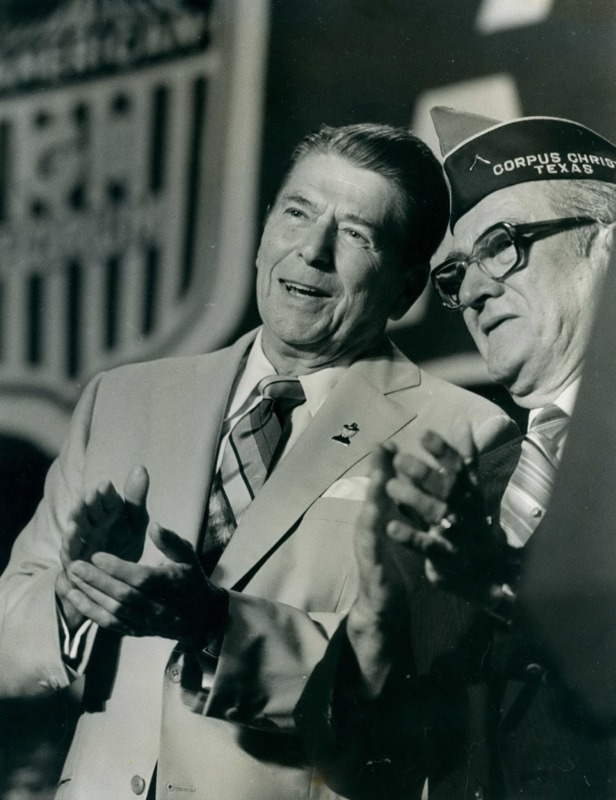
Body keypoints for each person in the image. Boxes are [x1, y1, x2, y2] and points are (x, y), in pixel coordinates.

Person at [0, 123, 514, 800]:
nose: (313, 251)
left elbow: (415, 684)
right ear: (265, 227)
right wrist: (75, 601)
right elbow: (8, 626)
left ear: (406, 287)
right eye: (297, 213)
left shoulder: (465, 433)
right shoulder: (122, 399)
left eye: (357, 234)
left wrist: (219, 624)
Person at [295, 109, 616, 800]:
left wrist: (504, 586)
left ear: (605, 247)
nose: (470, 292)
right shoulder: (461, 497)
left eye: (501, 246)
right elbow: (350, 765)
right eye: (456, 273)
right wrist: (375, 631)